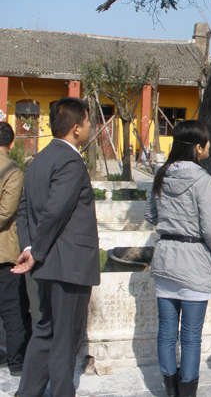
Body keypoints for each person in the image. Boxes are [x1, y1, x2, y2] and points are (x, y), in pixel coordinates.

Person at [12, 97, 99, 397]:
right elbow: (55, 211)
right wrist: (35, 252)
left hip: (48, 263)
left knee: (46, 332)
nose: (90, 126)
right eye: (88, 122)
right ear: (76, 128)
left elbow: (24, 211)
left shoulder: (39, 160)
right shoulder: (70, 162)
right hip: (69, 265)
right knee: (65, 339)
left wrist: (29, 247)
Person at [145, 120, 211, 397]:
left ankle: (170, 390)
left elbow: (150, 215)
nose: (209, 146)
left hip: (165, 258)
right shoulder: (204, 180)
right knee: (190, 337)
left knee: (166, 332)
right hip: (194, 261)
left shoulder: (159, 174)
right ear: (198, 147)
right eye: (207, 141)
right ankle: (187, 392)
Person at [0, 121, 32, 377]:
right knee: (13, 307)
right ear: (11, 144)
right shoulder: (12, 171)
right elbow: (6, 212)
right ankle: (17, 361)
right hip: (4, 251)